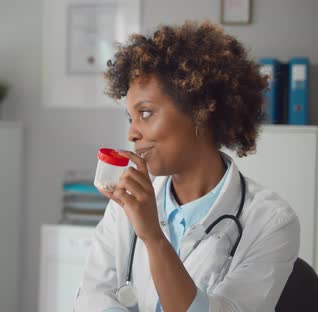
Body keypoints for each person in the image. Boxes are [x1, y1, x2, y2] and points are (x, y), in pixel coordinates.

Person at [74, 21, 300, 312]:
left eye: (145, 113)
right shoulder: (127, 202)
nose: (132, 133)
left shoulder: (271, 221)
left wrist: (153, 237)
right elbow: (91, 298)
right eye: (131, 118)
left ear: (200, 112)